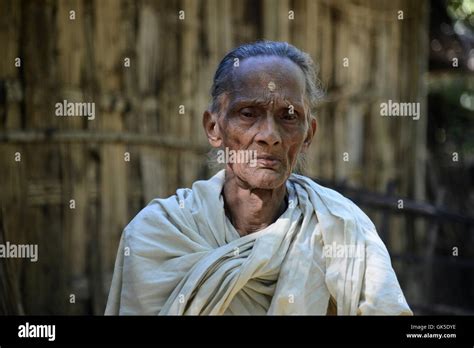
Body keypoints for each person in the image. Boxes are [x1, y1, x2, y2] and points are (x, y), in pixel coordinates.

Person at [105, 41, 412, 315]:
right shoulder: (158, 235)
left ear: (308, 135)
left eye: (288, 116)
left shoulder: (341, 228)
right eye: (248, 113)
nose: (269, 136)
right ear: (214, 128)